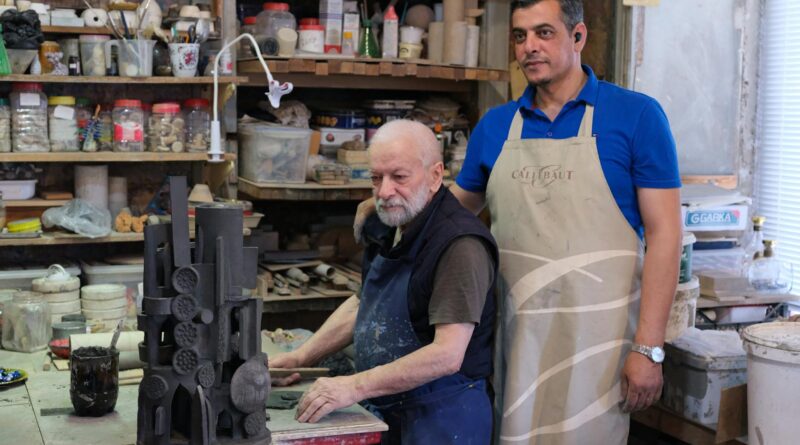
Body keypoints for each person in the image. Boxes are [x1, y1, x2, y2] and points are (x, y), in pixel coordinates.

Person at [355, 1, 682, 443]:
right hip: (515, 334)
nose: (529, 47)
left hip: (599, 342)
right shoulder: (495, 127)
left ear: (578, 36)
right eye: (520, 36)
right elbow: (446, 215)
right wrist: (388, 199)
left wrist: (649, 348)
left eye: (544, 33)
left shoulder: (636, 116)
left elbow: (665, 236)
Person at [271, 119, 499, 444]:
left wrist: (354, 385)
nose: (384, 192)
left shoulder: (459, 245)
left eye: (399, 177)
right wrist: (301, 358)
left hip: (441, 419)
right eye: (376, 178)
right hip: (390, 406)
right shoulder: (392, 221)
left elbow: (447, 354)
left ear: (435, 176)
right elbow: (365, 304)